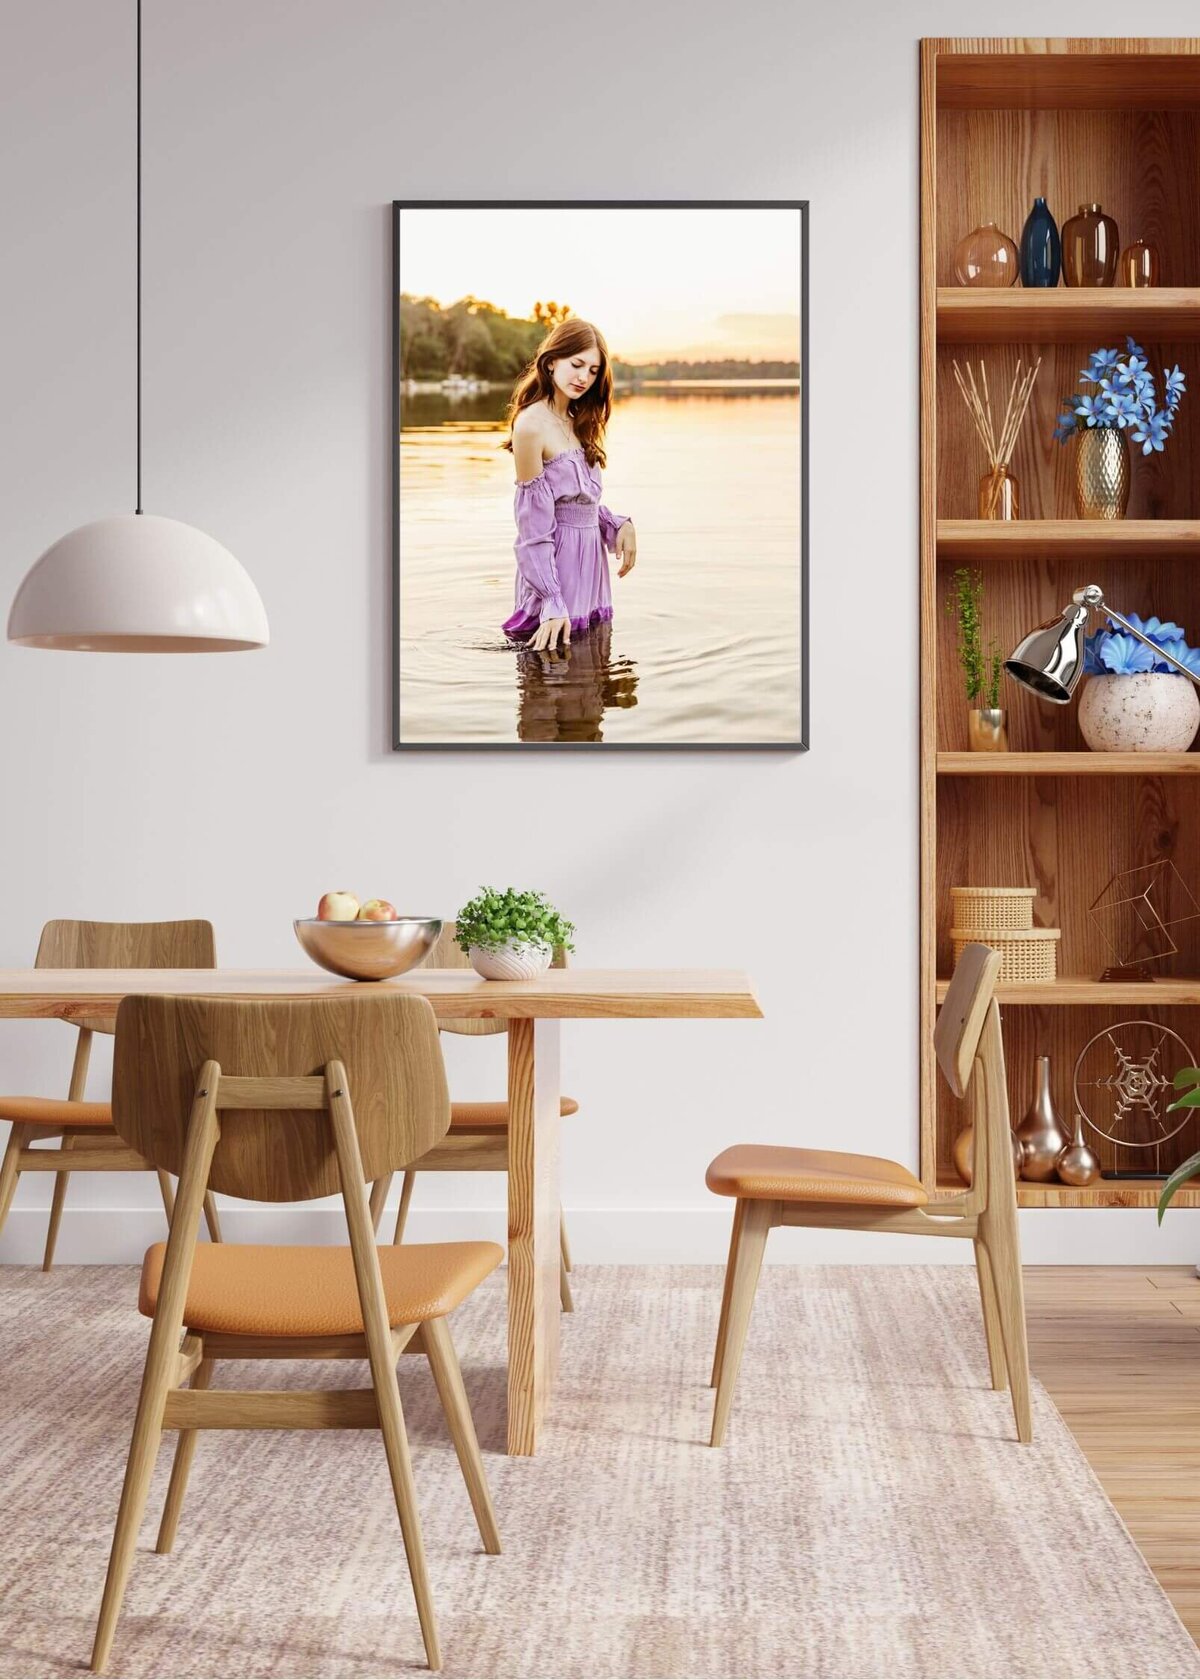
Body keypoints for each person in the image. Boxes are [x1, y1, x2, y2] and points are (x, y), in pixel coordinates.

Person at [502, 319, 637, 652]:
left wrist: (616, 524)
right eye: (576, 365)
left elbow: (579, 502)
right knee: (548, 677)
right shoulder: (530, 426)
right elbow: (532, 527)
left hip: (591, 566)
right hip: (556, 569)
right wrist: (550, 597)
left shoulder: (580, 418)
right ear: (551, 362)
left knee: (590, 677)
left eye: (593, 371)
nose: (584, 377)